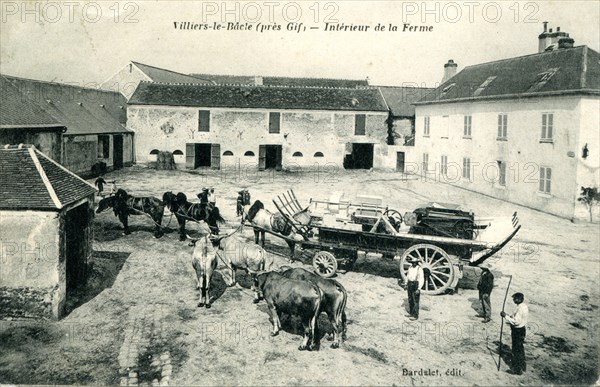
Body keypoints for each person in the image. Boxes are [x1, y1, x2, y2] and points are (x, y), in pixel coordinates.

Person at [501, 292, 529, 375]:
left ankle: (517, 370)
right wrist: (508, 316)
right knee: (520, 348)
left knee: (516, 350)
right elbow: (516, 317)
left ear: (518, 299)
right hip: (522, 329)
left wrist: (505, 317)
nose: (513, 300)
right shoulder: (524, 306)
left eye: (514, 299)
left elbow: (516, 322)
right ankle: (523, 366)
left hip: (517, 331)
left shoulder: (520, 309)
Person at [405, 256, 424, 320]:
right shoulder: (410, 268)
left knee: (415, 300)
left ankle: (415, 316)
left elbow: (421, 279)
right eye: (412, 263)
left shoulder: (419, 269)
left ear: (417, 263)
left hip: (415, 284)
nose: (413, 264)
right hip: (410, 284)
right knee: (410, 299)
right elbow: (407, 276)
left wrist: (419, 289)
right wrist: (406, 284)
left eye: (415, 263)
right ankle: (411, 313)